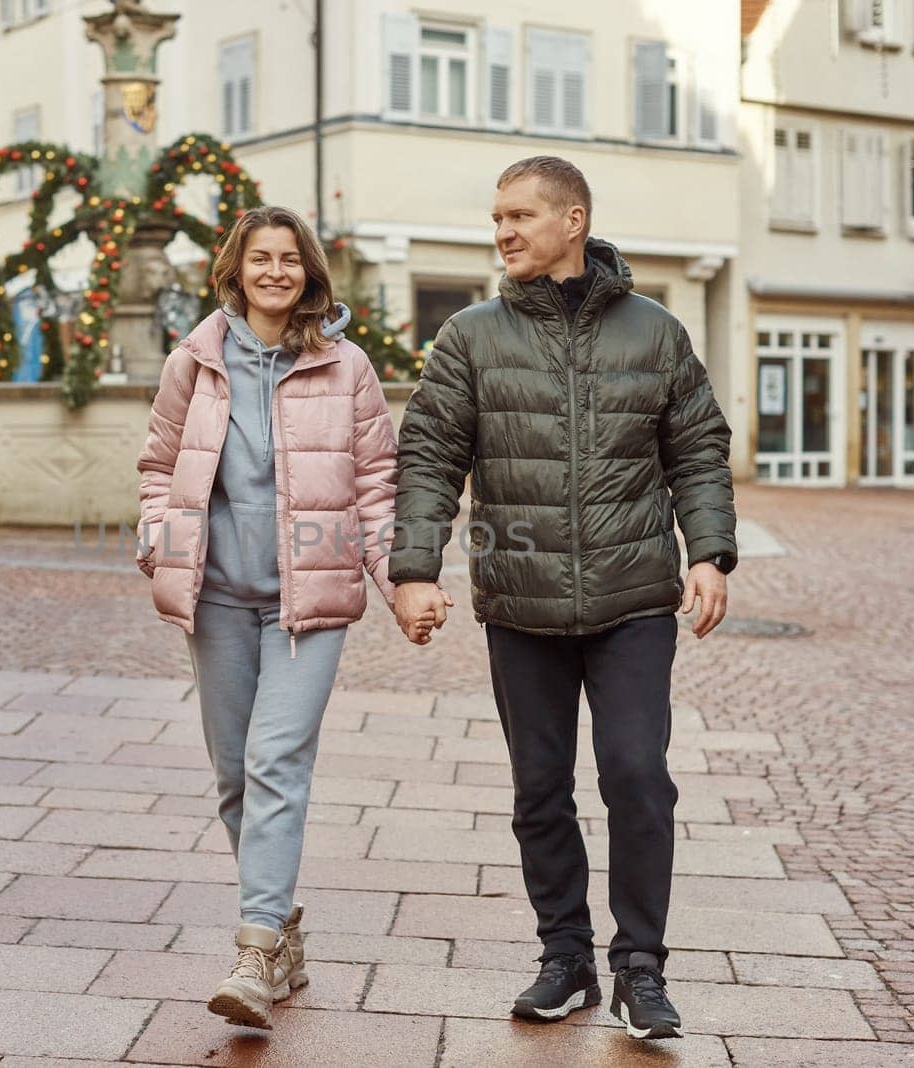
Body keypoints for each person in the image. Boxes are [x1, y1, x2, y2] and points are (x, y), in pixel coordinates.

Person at [389, 156, 737, 1041]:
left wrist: (710, 553)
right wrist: (415, 568)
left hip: (632, 602)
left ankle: (640, 969)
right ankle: (566, 959)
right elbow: (430, 456)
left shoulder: (655, 332)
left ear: (572, 220)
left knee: (636, 778)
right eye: (495, 216)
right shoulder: (470, 335)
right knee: (539, 790)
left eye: (518, 215)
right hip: (522, 605)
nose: (502, 231)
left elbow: (696, 448)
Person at [135, 205, 445, 1030]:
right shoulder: (193, 363)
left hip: (309, 604)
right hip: (218, 600)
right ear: (234, 270)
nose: (276, 272)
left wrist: (400, 582)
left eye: (290, 259)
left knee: (275, 760)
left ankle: (255, 948)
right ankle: (286, 931)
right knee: (237, 777)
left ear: (310, 272)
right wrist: (156, 536)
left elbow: (377, 486)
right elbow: (159, 466)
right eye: (260, 258)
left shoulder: (347, 368)